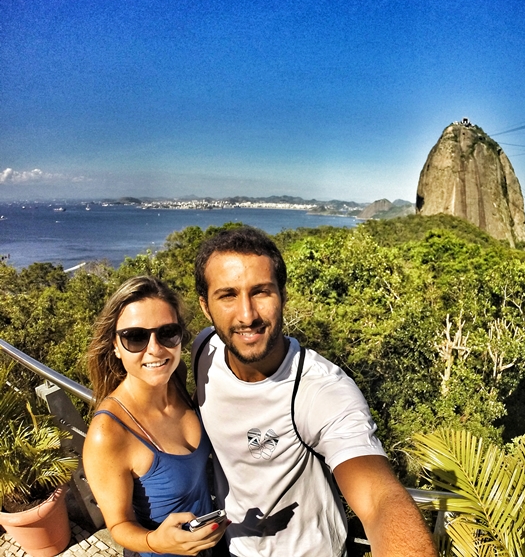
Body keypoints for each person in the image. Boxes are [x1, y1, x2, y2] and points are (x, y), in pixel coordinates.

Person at [192, 226, 437, 557]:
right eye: (228, 295)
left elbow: (380, 499)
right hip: (231, 547)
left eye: (261, 292)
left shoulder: (319, 389)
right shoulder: (203, 349)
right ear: (206, 307)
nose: (247, 315)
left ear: (283, 296)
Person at [83, 276, 228, 557]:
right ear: (114, 345)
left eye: (167, 333)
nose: (155, 348)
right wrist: (157, 542)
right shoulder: (108, 433)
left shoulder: (176, 380)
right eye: (135, 337)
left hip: (212, 545)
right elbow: (118, 524)